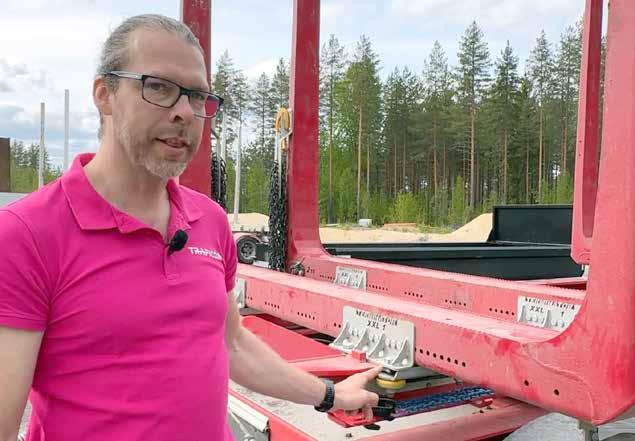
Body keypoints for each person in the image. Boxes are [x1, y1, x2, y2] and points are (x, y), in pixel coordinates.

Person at [0, 14, 381, 441]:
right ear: (105, 95)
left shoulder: (210, 221)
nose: (184, 112)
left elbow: (232, 344)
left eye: (197, 96)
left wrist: (330, 395)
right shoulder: (27, 235)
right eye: (159, 87)